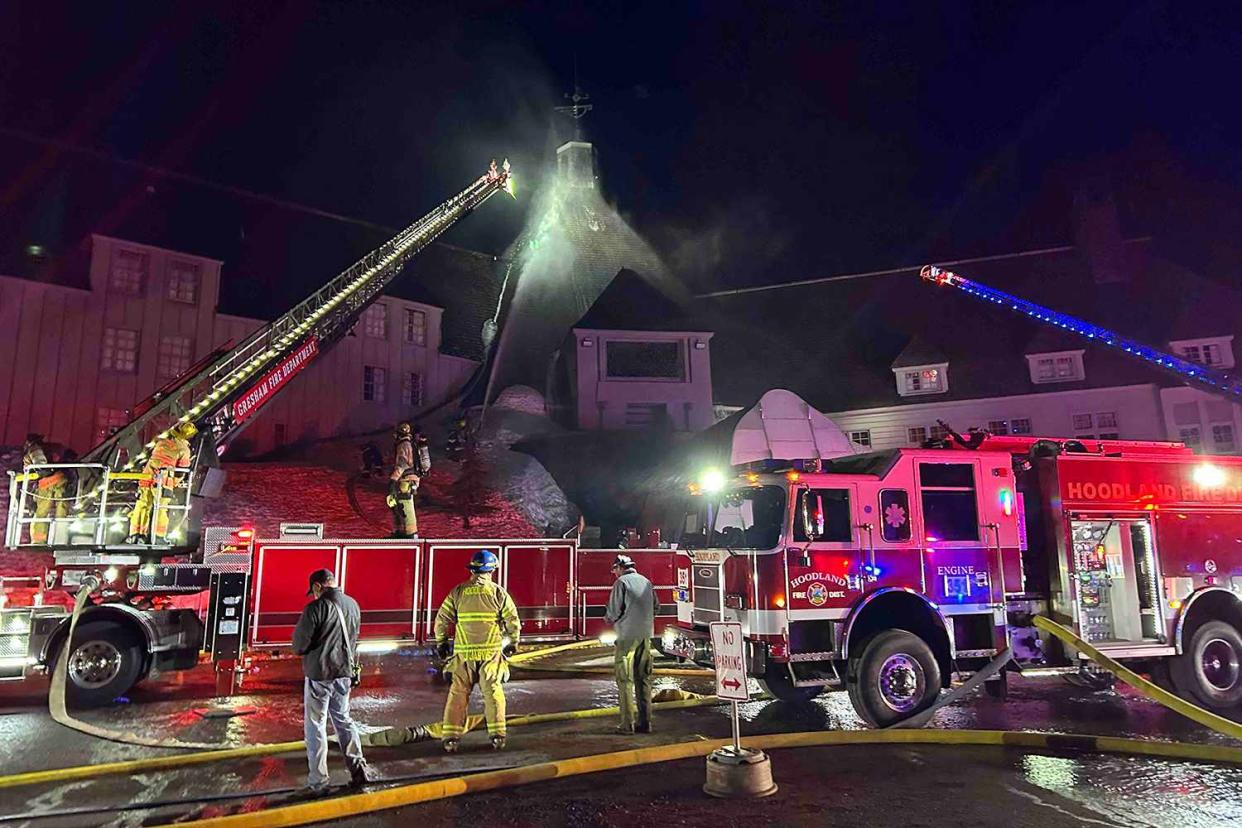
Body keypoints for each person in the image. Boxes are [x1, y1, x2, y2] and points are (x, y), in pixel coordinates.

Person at [291, 568, 373, 793]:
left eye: (314, 590)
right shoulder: (353, 605)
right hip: (344, 675)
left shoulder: (315, 608)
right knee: (344, 720)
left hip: (320, 676)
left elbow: (299, 645)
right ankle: (359, 770)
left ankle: (319, 782)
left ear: (318, 586)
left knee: (315, 726)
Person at [433, 550, 521, 752]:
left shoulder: (458, 591)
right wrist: (513, 642)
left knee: (457, 694)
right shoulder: (498, 593)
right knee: (493, 694)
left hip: (463, 655)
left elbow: (442, 619)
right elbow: (512, 620)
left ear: (472, 569)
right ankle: (498, 736)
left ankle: (451, 739)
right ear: (492, 570)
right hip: (490, 654)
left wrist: (441, 642)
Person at [605, 554, 656, 734]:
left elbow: (613, 611)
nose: (614, 574)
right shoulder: (646, 582)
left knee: (625, 680)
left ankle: (627, 725)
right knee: (644, 679)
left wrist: (611, 620)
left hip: (627, 638)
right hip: (645, 636)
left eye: (615, 571)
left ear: (619, 567)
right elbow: (656, 607)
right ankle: (645, 723)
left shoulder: (621, 583)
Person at [127, 421, 196, 544]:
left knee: (142, 506)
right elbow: (181, 471)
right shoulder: (184, 449)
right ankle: (158, 537)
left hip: (146, 478)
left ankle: (136, 535)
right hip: (163, 483)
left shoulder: (161, 443)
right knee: (161, 509)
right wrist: (175, 483)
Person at [21, 434, 67, 544]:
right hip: (54, 481)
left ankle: (38, 540)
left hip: (47, 483)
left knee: (42, 512)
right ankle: (60, 539)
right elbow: (42, 466)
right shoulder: (35, 449)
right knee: (61, 509)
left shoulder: (34, 450)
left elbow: (42, 467)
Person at [386, 422, 425, 539]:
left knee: (405, 506)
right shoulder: (411, 444)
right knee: (400, 505)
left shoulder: (404, 445)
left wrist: (393, 479)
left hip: (406, 480)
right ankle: (404, 530)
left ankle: (410, 534)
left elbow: (402, 464)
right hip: (411, 479)